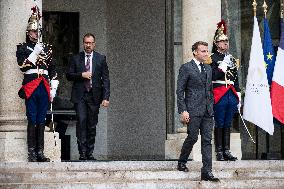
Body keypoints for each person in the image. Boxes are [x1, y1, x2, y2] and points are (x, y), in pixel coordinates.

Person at [16, 9, 59, 162]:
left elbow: (53, 69)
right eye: (33, 32)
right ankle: (32, 152)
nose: (35, 34)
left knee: (42, 119)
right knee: (32, 118)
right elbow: (23, 66)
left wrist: (54, 87)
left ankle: (40, 152)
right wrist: (34, 53)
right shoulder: (22, 48)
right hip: (31, 85)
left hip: (44, 86)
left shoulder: (47, 48)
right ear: (28, 33)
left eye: (37, 31)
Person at [176, 41, 219, 182]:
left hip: (207, 111)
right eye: (203, 51)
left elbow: (210, 90)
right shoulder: (186, 68)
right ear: (195, 52)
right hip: (193, 110)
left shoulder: (208, 69)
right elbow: (180, 90)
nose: (206, 53)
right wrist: (183, 110)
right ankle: (182, 161)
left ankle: (207, 171)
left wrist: (211, 106)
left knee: (207, 140)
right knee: (193, 137)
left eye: (207, 51)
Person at [66, 33, 110, 161]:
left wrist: (106, 97)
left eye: (90, 43)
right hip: (80, 96)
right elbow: (68, 75)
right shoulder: (75, 58)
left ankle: (90, 153)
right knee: (81, 121)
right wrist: (81, 75)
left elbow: (106, 79)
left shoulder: (100, 59)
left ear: (94, 44)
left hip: (94, 96)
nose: (88, 45)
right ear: (83, 43)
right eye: (86, 43)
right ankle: (82, 153)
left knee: (91, 124)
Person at [210, 20, 240, 161]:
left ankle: (227, 150)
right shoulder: (211, 59)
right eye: (222, 41)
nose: (225, 43)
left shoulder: (232, 59)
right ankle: (219, 151)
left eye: (226, 41)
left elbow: (236, 78)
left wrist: (238, 95)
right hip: (219, 92)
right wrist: (221, 67)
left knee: (228, 122)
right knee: (220, 122)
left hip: (231, 92)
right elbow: (212, 77)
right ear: (216, 44)